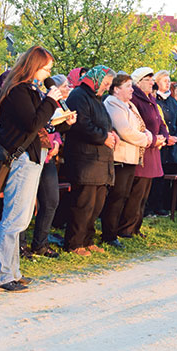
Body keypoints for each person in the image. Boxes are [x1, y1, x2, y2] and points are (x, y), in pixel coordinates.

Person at [0, 46, 74, 291]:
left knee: (22, 217)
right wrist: (50, 100)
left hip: (34, 157)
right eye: (46, 68)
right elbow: (31, 123)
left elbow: (41, 128)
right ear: (33, 66)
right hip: (21, 159)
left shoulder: (32, 91)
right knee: (14, 217)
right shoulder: (19, 91)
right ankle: (2, 275)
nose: (48, 73)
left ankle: (12, 272)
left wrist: (63, 123)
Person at [62, 65, 117, 257]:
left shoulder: (97, 99)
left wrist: (111, 134)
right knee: (83, 204)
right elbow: (81, 125)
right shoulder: (79, 95)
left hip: (100, 160)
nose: (106, 88)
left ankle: (88, 240)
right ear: (95, 79)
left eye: (109, 85)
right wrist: (103, 137)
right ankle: (74, 243)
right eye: (105, 83)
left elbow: (104, 123)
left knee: (96, 204)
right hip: (84, 159)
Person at [21, 73, 71, 258]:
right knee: (25, 202)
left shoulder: (45, 97)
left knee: (51, 200)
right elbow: (35, 122)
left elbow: (50, 126)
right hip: (30, 153)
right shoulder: (28, 94)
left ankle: (40, 244)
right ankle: (20, 245)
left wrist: (58, 140)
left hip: (47, 156)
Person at [103, 73, 152, 249]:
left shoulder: (129, 104)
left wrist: (149, 135)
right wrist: (146, 140)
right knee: (116, 196)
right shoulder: (112, 103)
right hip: (120, 158)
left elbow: (142, 126)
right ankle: (108, 234)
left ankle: (114, 231)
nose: (132, 89)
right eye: (128, 86)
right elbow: (125, 131)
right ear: (116, 89)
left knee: (124, 196)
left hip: (131, 157)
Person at [121, 67, 168, 238]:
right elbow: (138, 124)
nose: (152, 82)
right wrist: (154, 139)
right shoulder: (135, 99)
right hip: (142, 151)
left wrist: (164, 136)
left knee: (144, 193)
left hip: (154, 150)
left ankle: (136, 227)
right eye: (148, 79)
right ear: (139, 82)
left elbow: (160, 121)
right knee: (136, 193)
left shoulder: (151, 99)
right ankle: (126, 228)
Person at [151, 73, 177, 217]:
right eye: (165, 81)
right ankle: (155, 206)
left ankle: (168, 204)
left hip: (173, 145)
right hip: (160, 145)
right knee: (158, 178)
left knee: (170, 177)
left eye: (169, 81)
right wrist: (166, 138)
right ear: (157, 82)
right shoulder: (154, 99)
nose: (168, 83)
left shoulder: (172, 101)